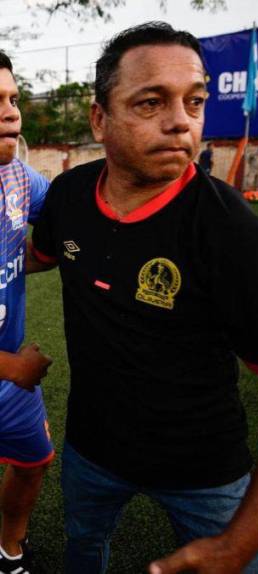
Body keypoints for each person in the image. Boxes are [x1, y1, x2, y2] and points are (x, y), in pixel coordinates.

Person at [27, 22, 258, 573]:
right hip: (90, 450)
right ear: (99, 118)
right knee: (84, 549)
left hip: (205, 472)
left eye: (194, 101)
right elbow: (36, 258)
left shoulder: (236, 236)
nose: (181, 121)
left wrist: (237, 544)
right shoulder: (70, 195)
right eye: (152, 102)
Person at [0, 50, 55, 574]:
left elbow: (64, 215)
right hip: (9, 370)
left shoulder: (15, 176)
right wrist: (13, 367)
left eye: (13, 98)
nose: (12, 112)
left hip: (8, 382)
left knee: (32, 463)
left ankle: (7, 552)